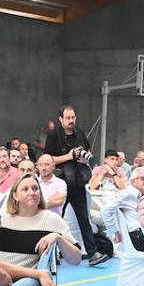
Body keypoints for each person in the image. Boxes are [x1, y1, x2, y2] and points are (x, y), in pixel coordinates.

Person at [42, 105, 104, 264]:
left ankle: (93, 254)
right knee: (56, 220)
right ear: (60, 119)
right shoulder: (53, 136)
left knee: (85, 220)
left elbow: (88, 152)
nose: (71, 121)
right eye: (68, 118)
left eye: (73, 117)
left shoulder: (80, 133)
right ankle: (47, 255)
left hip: (78, 183)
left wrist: (85, 159)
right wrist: (68, 156)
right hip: (61, 184)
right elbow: (48, 159)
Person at [101, 166, 144, 250]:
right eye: (143, 178)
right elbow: (105, 211)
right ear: (133, 180)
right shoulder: (127, 193)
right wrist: (114, 232)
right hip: (137, 234)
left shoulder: (143, 194)